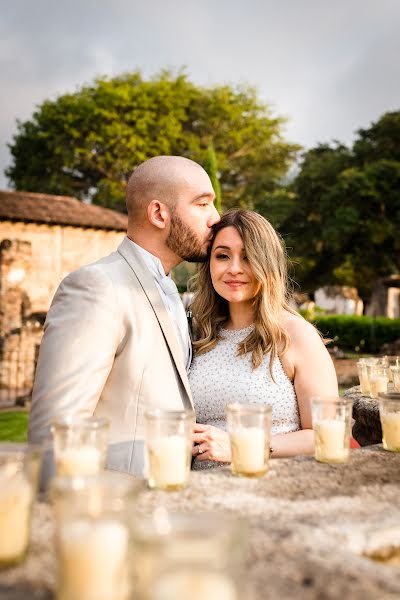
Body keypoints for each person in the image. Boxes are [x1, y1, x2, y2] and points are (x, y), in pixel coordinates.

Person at [28, 155, 220, 477]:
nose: (216, 218)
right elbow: (57, 429)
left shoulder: (171, 289)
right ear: (159, 213)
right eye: (203, 204)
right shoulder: (97, 287)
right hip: (118, 503)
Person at [188, 209, 339, 466]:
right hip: (202, 494)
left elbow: (328, 435)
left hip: (271, 491)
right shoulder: (197, 335)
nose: (234, 269)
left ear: (267, 264)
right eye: (222, 256)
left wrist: (241, 447)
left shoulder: (295, 335)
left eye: (248, 257)